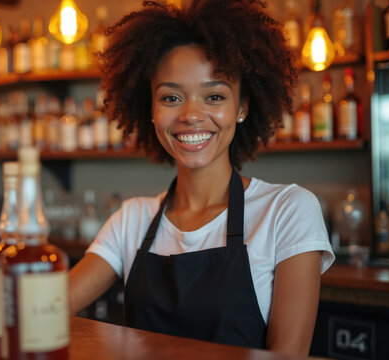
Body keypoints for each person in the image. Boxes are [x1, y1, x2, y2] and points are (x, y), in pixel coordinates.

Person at [68, 0, 335, 357]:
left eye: (214, 96)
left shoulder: (287, 211)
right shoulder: (131, 220)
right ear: (150, 109)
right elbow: (42, 314)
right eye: (171, 97)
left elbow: (286, 355)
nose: (191, 114)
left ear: (241, 108)